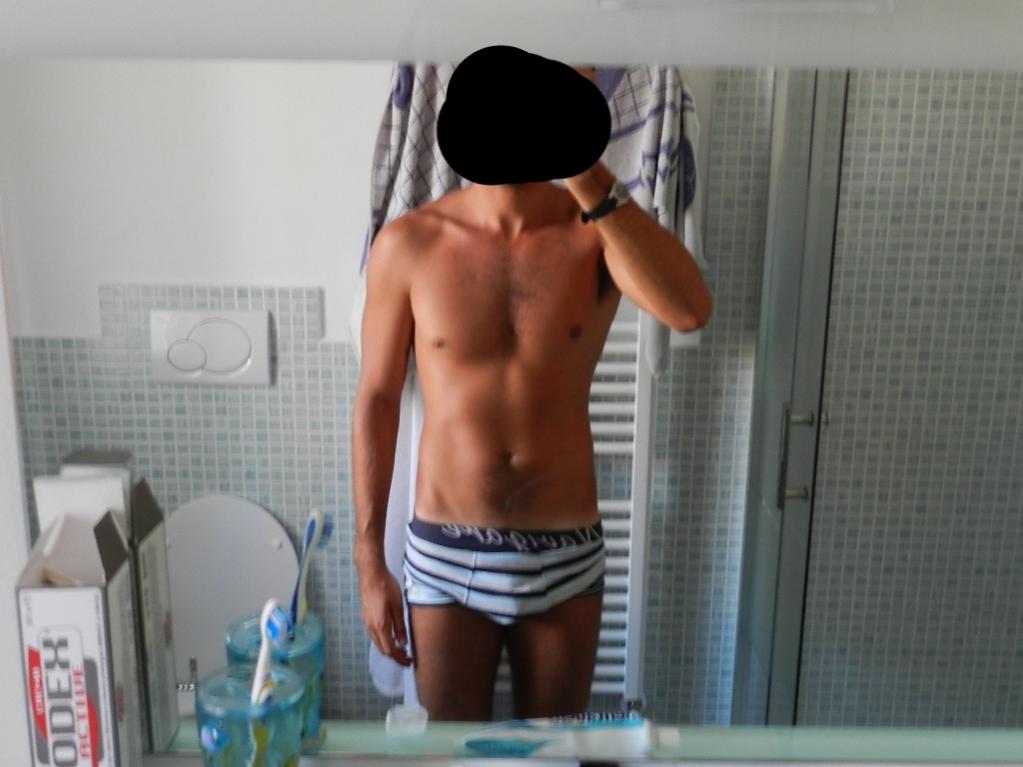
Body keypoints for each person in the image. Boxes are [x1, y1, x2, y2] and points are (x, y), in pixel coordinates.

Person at [352, 62, 713, 722]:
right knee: (452, 757)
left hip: (565, 554)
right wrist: (367, 558)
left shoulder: (595, 235)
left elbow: (689, 310)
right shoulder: (410, 244)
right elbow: (376, 398)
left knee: (554, 753)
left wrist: (586, 173)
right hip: (445, 553)